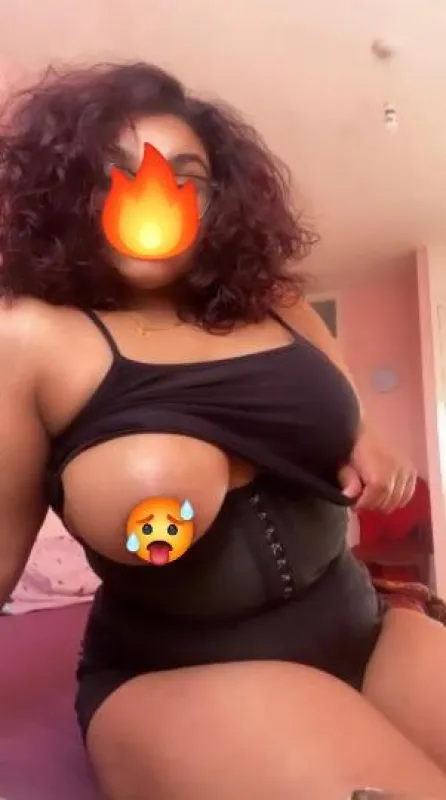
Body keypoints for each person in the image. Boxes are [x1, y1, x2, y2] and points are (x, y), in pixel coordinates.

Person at [0, 62, 446, 800]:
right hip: (179, 674)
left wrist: (367, 437)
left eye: (186, 176)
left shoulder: (275, 304)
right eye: (115, 174)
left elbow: (348, 406)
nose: (152, 196)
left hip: (367, 630)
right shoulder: (30, 338)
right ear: (70, 190)